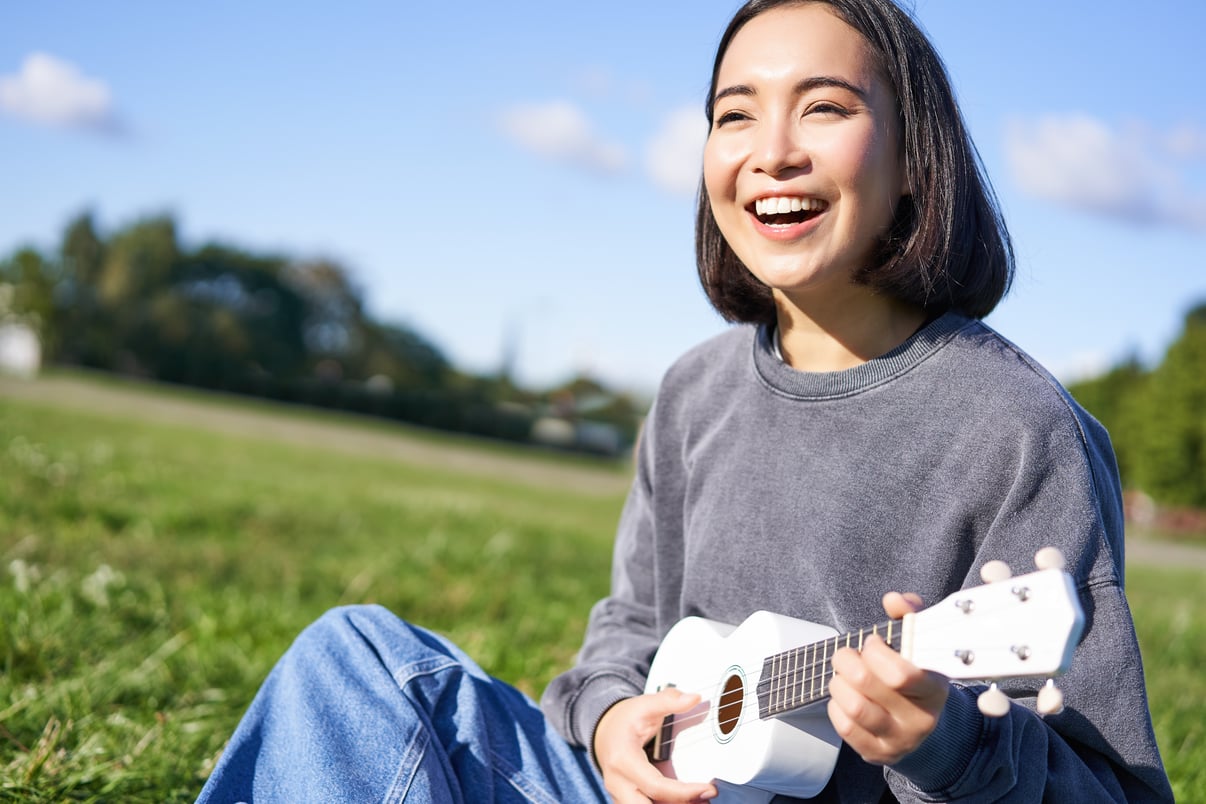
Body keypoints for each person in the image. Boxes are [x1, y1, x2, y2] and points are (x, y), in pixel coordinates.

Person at [196, 0, 1174, 801]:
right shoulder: (695, 391)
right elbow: (628, 629)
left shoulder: (1016, 428)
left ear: (916, 157)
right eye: (735, 113)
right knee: (354, 657)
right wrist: (613, 717)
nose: (772, 150)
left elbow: (1115, 790)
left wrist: (954, 750)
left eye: (825, 108)